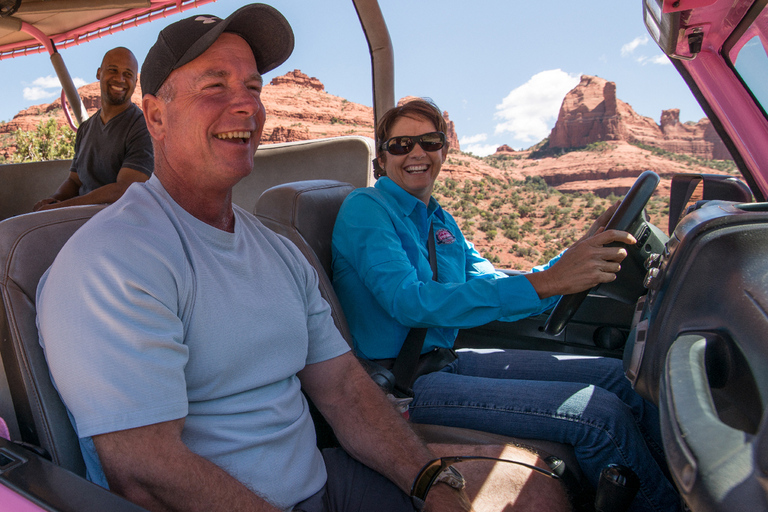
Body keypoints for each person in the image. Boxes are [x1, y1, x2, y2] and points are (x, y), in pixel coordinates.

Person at [36, 6, 570, 512]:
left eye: (252, 87)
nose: (245, 104)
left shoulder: (278, 249)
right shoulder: (112, 261)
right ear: (154, 115)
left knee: (535, 493)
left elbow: (342, 389)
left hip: (323, 481)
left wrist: (430, 482)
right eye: (215, 85)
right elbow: (146, 472)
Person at [331, 98, 682, 512]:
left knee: (620, 376)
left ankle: (680, 490)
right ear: (383, 156)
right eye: (401, 144)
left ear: (444, 149)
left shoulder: (439, 220)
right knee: (599, 415)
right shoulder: (366, 209)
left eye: (429, 141)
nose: (417, 153)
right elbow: (410, 302)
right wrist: (551, 281)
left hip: (446, 360)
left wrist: (572, 259)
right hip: (403, 382)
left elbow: (492, 283)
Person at [33, 47, 153, 211]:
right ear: (99, 73)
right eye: (113, 70)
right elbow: (75, 181)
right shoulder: (85, 129)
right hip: (79, 216)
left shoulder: (141, 126)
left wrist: (63, 207)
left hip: (119, 219)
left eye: (128, 74)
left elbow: (125, 190)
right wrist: (53, 201)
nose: (120, 79)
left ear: (136, 82)